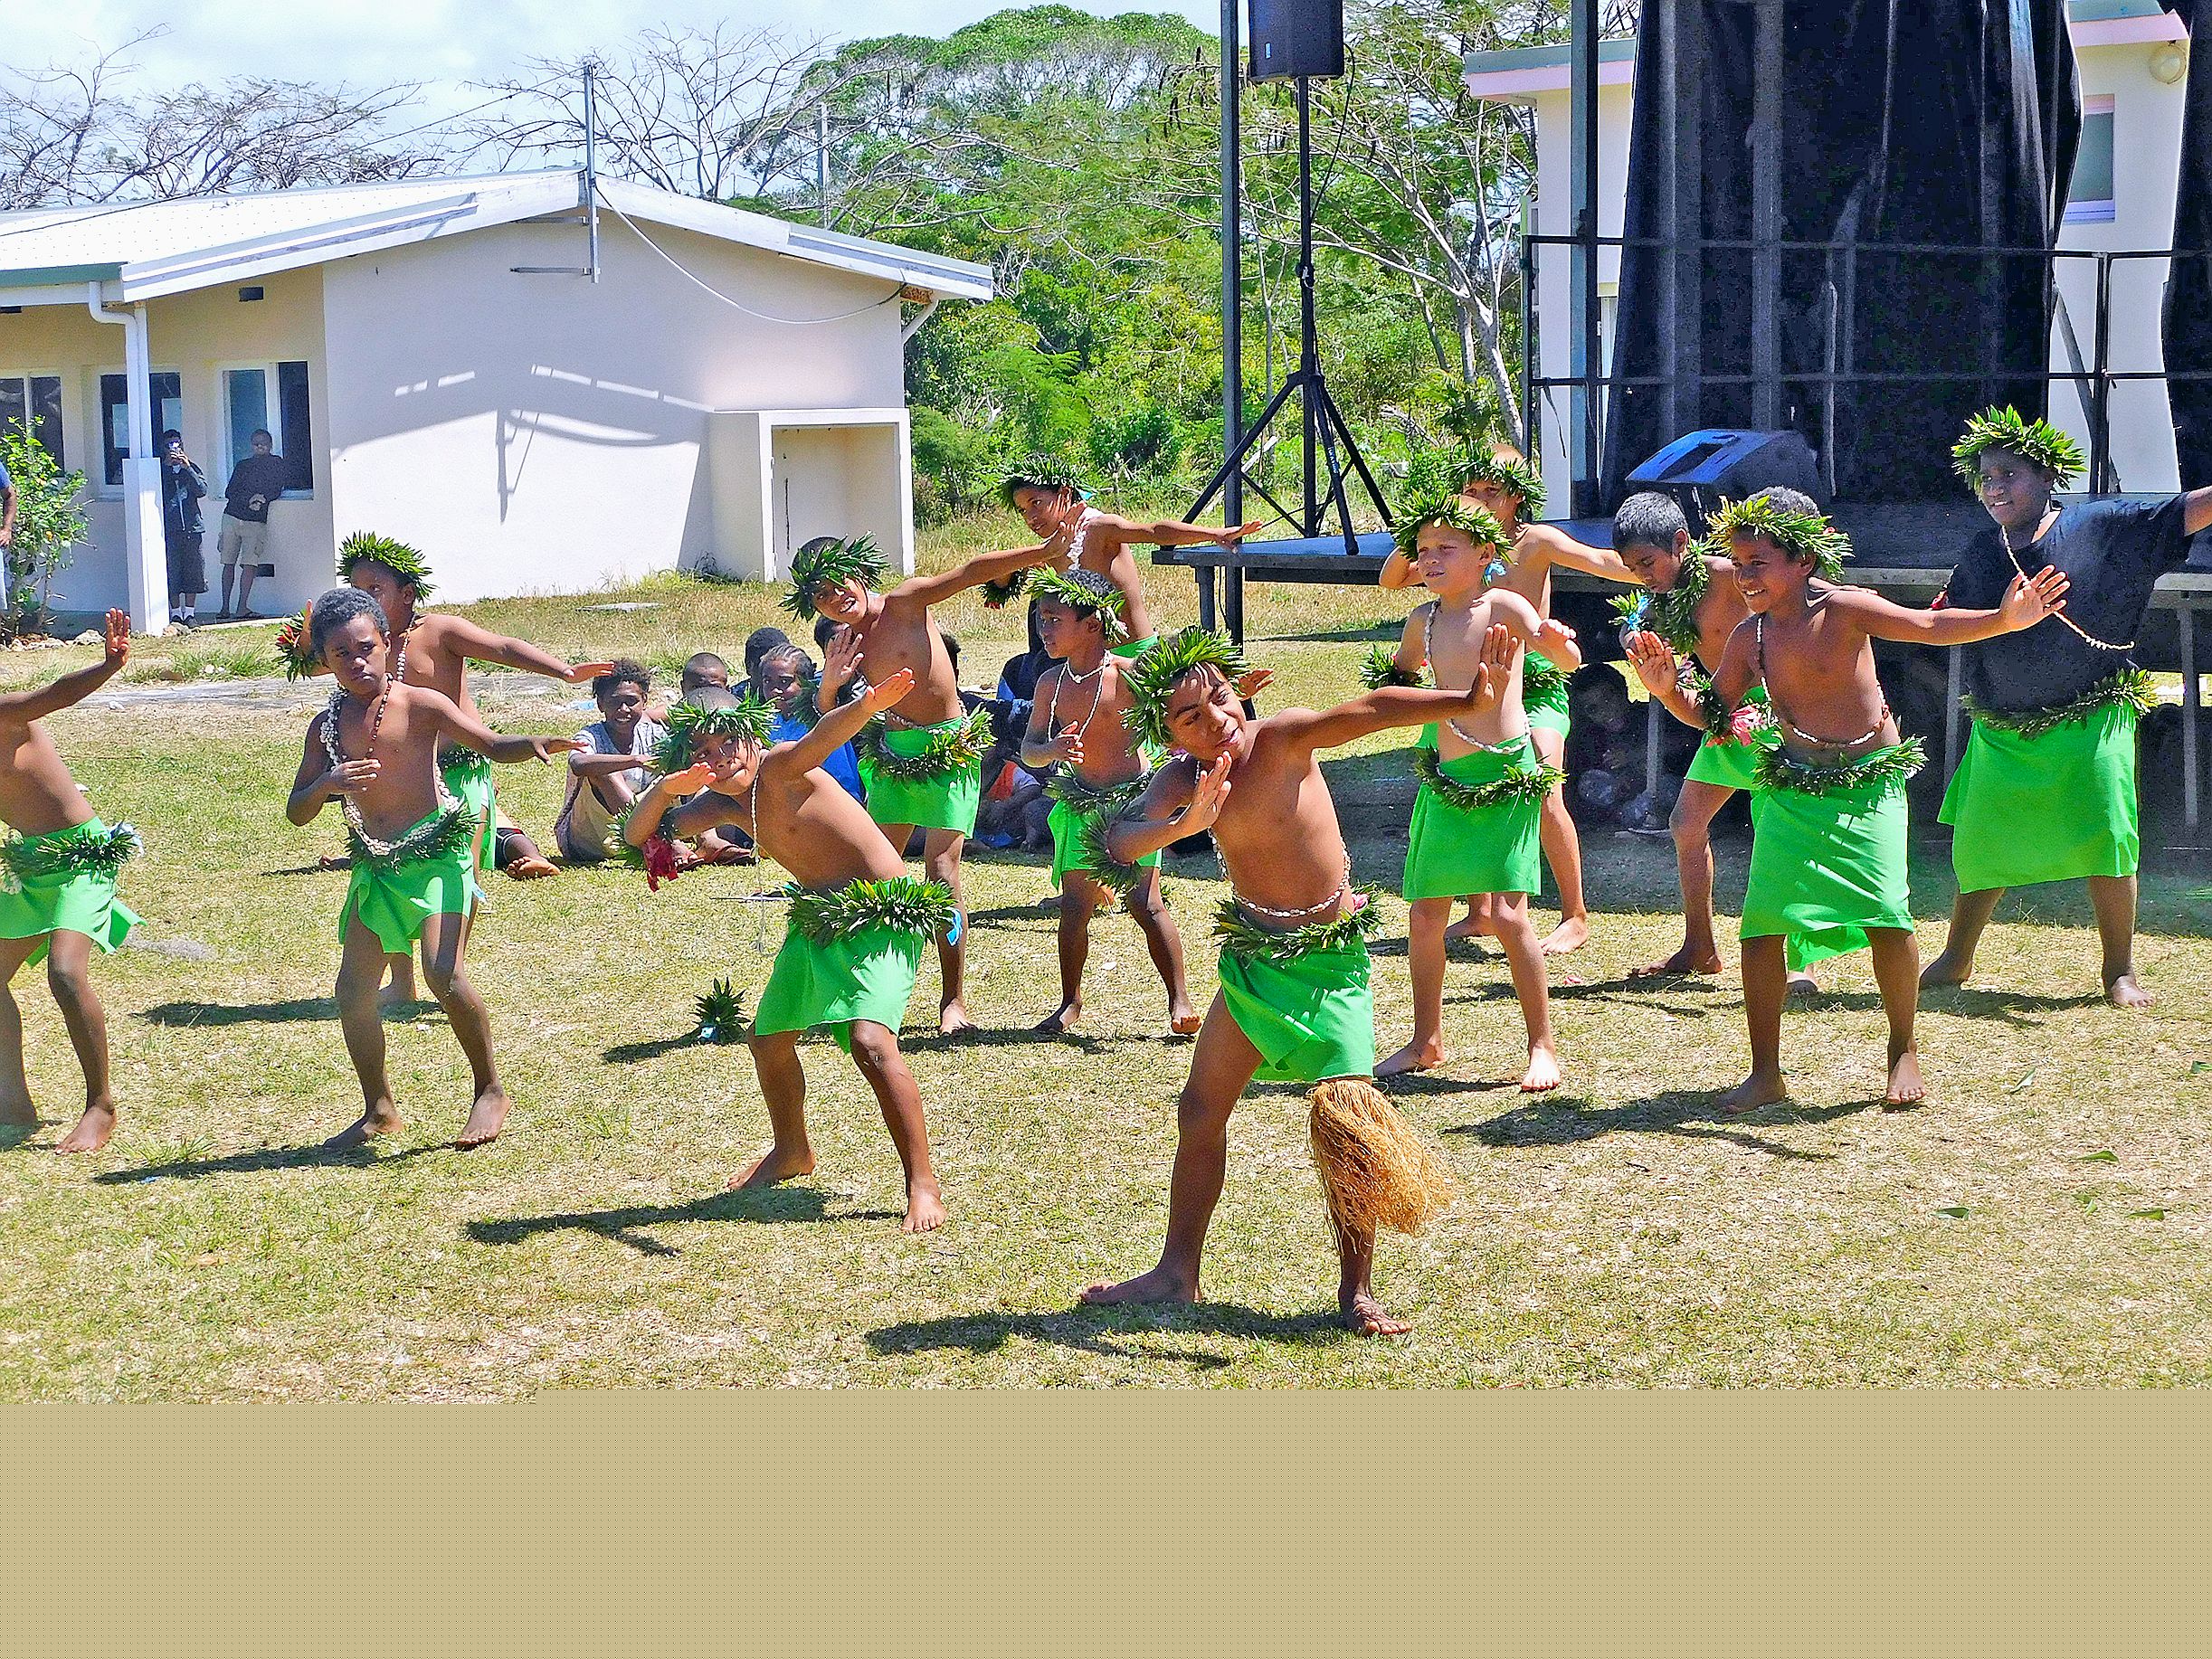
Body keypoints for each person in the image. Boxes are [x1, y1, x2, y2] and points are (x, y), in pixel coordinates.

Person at [1078, 628, 1495, 1336]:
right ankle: (1177, 1272)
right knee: (1199, 1111)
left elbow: (1368, 711)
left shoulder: (1281, 741)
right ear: (1167, 733)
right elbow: (1118, 842)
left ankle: (1355, 1291)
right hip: (1254, 965)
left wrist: (1462, 697)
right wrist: (1186, 821)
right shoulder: (1180, 780)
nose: (1215, 721)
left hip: (1329, 963)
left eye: (1217, 700)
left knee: (1345, 1123)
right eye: (1191, 717)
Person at [1697, 493, 2068, 1114]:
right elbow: (1711, 715)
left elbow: (1925, 626)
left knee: (1884, 919)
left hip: (1868, 782)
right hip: (1793, 789)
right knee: (1761, 929)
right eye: (1738, 563)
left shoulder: (1843, 609)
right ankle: (1766, 1073)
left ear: (1803, 559)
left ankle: (1901, 1048)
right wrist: (1663, 690)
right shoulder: (1748, 635)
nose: (1745, 576)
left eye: (1757, 562)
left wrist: (2003, 620)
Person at [622, 671, 952, 1233]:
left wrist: (868, 705)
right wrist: (661, 792)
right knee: (768, 1040)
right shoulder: (722, 807)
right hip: (818, 924)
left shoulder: (778, 767)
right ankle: (792, 1150)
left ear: (750, 733)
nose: (721, 758)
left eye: (728, 742)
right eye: (704, 753)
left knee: (870, 1043)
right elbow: (637, 837)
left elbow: (822, 736)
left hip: (883, 915)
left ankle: (922, 1180)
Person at [1922, 407, 2212, 1009]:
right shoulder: (1983, 551)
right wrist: (1998, 617)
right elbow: (1941, 622)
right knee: (1981, 845)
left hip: (2091, 716)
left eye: (2008, 474)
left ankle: (2118, 971)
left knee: (2106, 837)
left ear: (2046, 477)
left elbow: (2183, 511)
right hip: (2004, 727)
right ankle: (1956, 956)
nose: (1994, 486)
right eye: (1985, 476)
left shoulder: (2103, 528)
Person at [286, 587, 582, 1149]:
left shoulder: (421, 705)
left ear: (387, 643)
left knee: (443, 974)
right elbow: (297, 811)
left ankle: (489, 1088)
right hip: (376, 867)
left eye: (366, 648)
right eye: (342, 654)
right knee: (352, 992)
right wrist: (327, 784)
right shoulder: (325, 729)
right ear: (323, 659)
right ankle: (379, 1107)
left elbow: (490, 744)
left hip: (438, 856)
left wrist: (534, 741)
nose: (357, 662)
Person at [782, 531, 1064, 1034]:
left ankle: (952, 999)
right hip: (890, 755)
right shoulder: (843, 641)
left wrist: (1041, 554)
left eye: (838, 582)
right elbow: (830, 719)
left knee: (941, 869)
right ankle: (854, 987)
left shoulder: (907, 602)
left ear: (858, 570)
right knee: (868, 871)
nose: (836, 597)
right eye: (821, 594)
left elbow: (972, 569)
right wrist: (830, 680)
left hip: (949, 748)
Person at [1378, 443, 1632, 955]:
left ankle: (1575, 914)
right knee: (1458, 782)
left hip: (1532, 683)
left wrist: (1672, 569)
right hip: (1463, 691)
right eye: (1469, 491)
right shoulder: (1450, 551)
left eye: (1490, 492)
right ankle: (1480, 913)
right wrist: (1428, 527)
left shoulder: (1534, 542)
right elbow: (1390, 579)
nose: (1478, 500)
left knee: (1543, 784)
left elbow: (1602, 559)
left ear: (1516, 497)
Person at [1372, 498, 1577, 1090]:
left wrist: (1560, 643)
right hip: (1445, 784)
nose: (1429, 560)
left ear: (1485, 554)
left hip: (1505, 779)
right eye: (1424, 551)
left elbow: (1559, 652)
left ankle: (1541, 1046)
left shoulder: (1504, 606)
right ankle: (1424, 1039)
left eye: (1445, 550)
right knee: (1425, 913)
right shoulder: (1423, 623)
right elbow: (1399, 678)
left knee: (1511, 918)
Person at [1608, 491, 1813, 990]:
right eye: (1632, 568)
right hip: (1726, 713)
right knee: (1685, 822)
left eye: (1649, 563)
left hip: (1779, 711)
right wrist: (1636, 643)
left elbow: (1804, 602)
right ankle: (1700, 945)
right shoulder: (1659, 600)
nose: (1644, 576)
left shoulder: (1731, 576)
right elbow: (1637, 630)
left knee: (1781, 833)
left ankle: (1802, 961)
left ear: (1681, 543)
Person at [336, 532, 610, 887]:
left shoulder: (438, 631)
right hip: (409, 769)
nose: (363, 600)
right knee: (406, 850)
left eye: (373, 589)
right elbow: (316, 661)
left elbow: (504, 648)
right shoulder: (363, 647)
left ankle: (465, 905)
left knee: (463, 857)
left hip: (460, 765)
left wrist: (563, 671)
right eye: (355, 590)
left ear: (407, 594)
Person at [1017, 568, 1199, 1036]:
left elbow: (1186, 712)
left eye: (1055, 619)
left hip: (1134, 804)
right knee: (1076, 906)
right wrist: (1054, 750)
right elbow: (1029, 748)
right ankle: (1069, 1002)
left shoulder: (1131, 677)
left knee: (1145, 902)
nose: (1044, 629)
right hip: (1081, 803)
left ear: (1092, 624)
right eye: (1041, 618)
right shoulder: (1049, 684)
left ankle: (1179, 1000)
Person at [0, 610, 142, 1154]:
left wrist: (107, 665)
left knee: (64, 972)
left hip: (83, 857)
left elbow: (55, 694)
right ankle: (13, 1102)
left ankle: (100, 1105)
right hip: (30, 866)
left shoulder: (5, 713)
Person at [997, 455, 1263, 653]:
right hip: (1093, 661)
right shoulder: (1052, 547)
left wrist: (1212, 533)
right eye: (1022, 510)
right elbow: (1002, 575)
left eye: (1036, 503)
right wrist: (1004, 580)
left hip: (1136, 655)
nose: (1031, 517)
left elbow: (1153, 531)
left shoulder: (1099, 528)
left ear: (1065, 493)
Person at [554, 660, 667, 863]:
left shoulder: (655, 734)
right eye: (615, 702)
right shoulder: (591, 735)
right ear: (600, 704)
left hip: (643, 826)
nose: (623, 709)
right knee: (603, 770)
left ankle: (707, 841)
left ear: (644, 701)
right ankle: (650, 843)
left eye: (631, 701)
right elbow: (579, 764)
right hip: (590, 840)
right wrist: (633, 760)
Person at [755, 640, 864, 801]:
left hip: (836, 802)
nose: (775, 689)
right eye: (767, 681)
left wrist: (829, 684)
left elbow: (825, 703)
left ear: (805, 682)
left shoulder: (817, 714)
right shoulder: (768, 723)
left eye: (785, 681)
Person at [214, 429, 288, 620]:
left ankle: (242, 608)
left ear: (270, 445)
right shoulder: (243, 465)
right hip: (232, 517)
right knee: (228, 562)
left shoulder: (276, 464)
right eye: (255, 443)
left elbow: (277, 488)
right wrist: (250, 498)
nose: (259, 446)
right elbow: (230, 491)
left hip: (255, 521)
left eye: (263, 442)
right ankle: (224, 608)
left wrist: (262, 498)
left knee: (249, 563)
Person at [158, 430, 207, 627]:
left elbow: (202, 490)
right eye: (170, 444)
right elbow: (157, 489)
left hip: (192, 528)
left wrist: (186, 468)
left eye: (177, 443)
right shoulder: (160, 470)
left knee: (193, 571)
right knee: (173, 571)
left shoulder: (191, 467)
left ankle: (190, 614)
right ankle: (175, 613)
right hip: (170, 529)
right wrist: (166, 467)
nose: (174, 448)